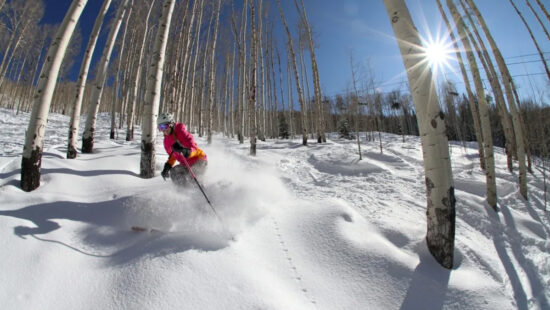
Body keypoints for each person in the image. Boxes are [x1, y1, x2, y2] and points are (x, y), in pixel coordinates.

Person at [157, 113, 207, 186]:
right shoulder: (166, 141)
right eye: (160, 127)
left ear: (171, 123)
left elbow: (194, 149)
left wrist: (185, 151)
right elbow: (173, 155)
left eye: (165, 126)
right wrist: (167, 166)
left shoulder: (181, 131)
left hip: (198, 160)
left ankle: (203, 192)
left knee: (193, 179)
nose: (163, 130)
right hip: (186, 164)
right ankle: (184, 193)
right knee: (174, 172)